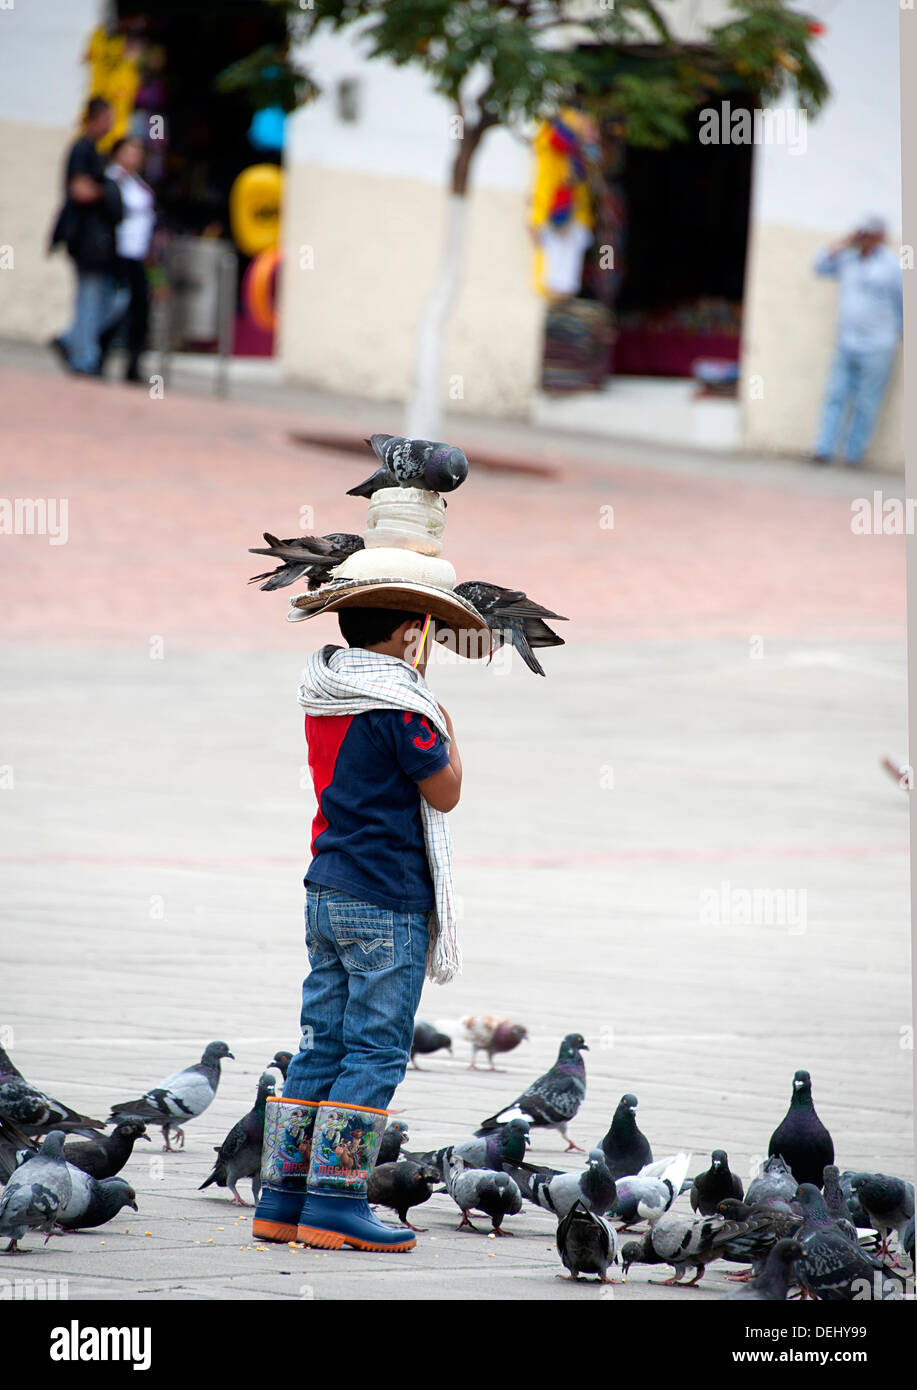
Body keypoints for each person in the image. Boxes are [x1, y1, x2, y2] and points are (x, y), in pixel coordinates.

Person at [252, 577, 490, 1253]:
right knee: (375, 1049)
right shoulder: (403, 710)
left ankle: (281, 1199)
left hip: (325, 888)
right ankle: (334, 1202)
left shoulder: (325, 695)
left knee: (321, 1042)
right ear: (411, 634)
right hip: (385, 898)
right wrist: (448, 728)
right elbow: (444, 792)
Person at [812, 216, 903, 467]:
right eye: (863, 233)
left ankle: (854, 455)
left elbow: (905, 303)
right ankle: (823, 450)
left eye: (871, 234)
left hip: (879, 345)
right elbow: (818, 266)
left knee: (866, 401)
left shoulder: (892, 266)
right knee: (835, 395)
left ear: (882, 237)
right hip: (847, 342)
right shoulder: (847, 259)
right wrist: (844, 242)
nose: (866, 238)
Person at [49, 97, 128, 376]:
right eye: (108, 118)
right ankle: (84, 357)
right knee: (90, 297)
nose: (111, 125)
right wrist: (107, 192)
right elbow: (79, 190)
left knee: (106, 297)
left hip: (98, 242)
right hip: (86, 240)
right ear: (94, 119)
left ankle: (72, 341)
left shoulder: (96, 151)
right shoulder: (82, 149)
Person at [102, 135, 156, 382]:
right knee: (115, 307)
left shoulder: (139, 184)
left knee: (139, 311)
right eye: (129, 151)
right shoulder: (110, 180)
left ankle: (133, 365)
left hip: (138, 254)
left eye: (138, 153)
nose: (134, 157)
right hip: (117, 252)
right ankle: (95, 354)